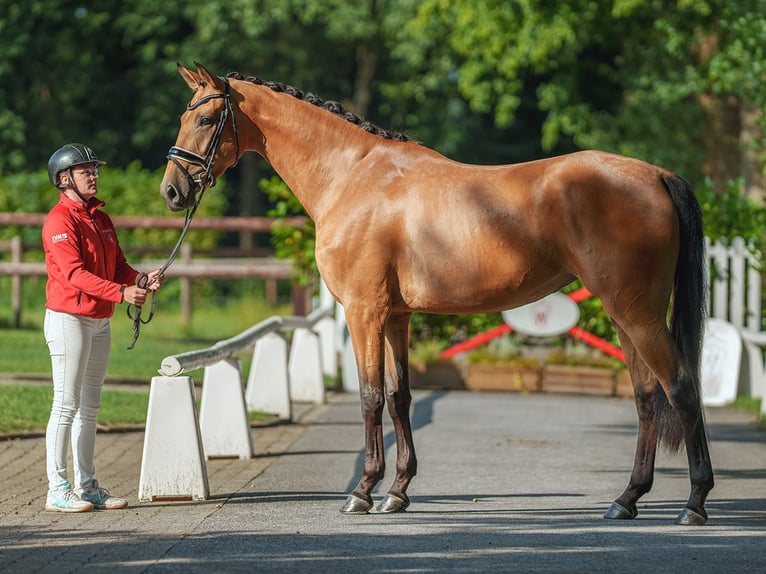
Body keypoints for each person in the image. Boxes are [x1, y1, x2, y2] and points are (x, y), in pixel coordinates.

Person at [42, 143, 163, 512]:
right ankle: (57, 488)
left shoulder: (101, 219)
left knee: (89, 407)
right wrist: (121, 293)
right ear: (65, 179)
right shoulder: (59, 221)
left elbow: (119, 266)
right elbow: (75, 275)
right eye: (85, 170)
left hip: (99, 321)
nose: (94, 175)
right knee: (65, 404)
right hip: (69, 320)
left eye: (94, 169)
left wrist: (139, 280)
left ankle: (87, 484)